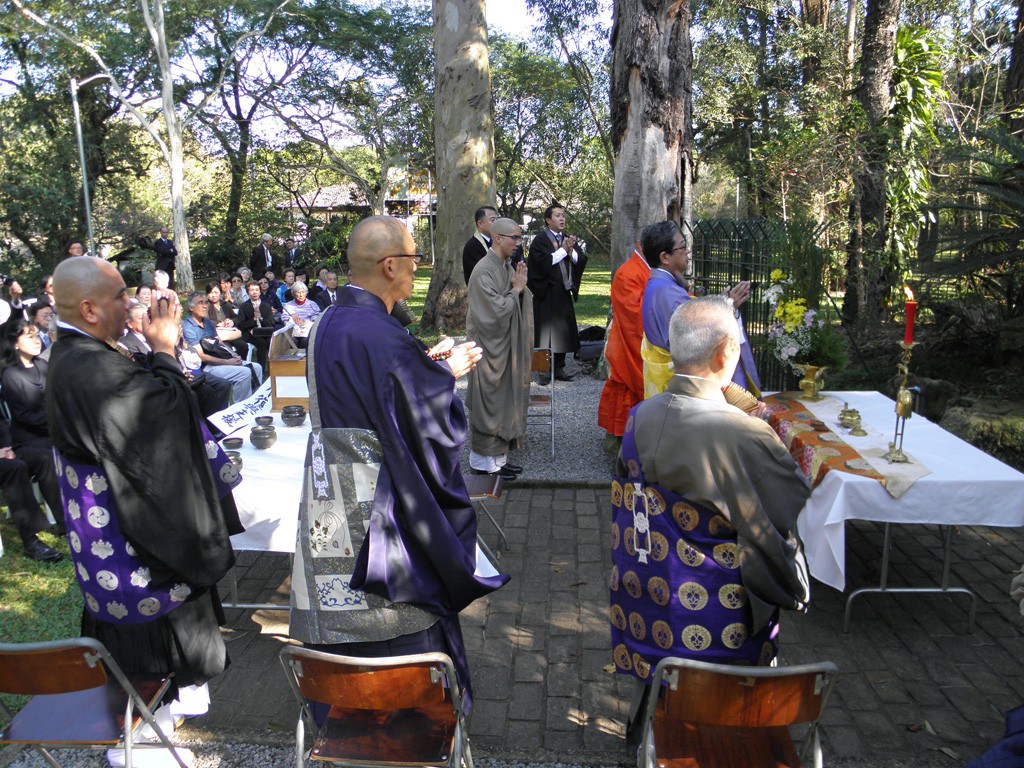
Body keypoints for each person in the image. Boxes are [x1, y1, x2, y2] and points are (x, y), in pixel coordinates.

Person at [293, 214, 506, 712]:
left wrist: (421, 369)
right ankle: (409, 717)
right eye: (414, 260)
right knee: (394, 615)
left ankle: (341, 706)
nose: (418, 270)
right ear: (389, 266)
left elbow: (373, 396)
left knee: (338, 604)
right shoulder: (383, 336)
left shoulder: (330, 320)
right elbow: (426, 426)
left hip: (330, 490)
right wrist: (445, 376)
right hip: (379, 502)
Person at [47, 258, 243, 760]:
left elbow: (153, 402)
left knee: (162, 658)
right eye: (120, 297)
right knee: (147, 656)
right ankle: (139, 743)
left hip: (126, 530)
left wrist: (159, 352)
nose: (132, 305)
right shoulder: (83, 365)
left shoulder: (89, 353)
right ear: (88, 308)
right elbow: (160, 421)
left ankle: (162, 722)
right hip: (128, 546)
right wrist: (162, 347)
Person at [611, 296, 810, 740]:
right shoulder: (745, 433)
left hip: (649, 596)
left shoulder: (639, 417)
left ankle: (652, 714)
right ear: (726, 353)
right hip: (720, 610)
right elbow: (791, 502)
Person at [640, 220, 759, 398]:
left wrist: (719, 303)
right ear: (665, 257)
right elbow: (696, 339)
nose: (688, 253)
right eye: (682, 247)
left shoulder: (658, 285)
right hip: (681, 386)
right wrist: (727, 307)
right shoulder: (670, 293)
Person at [465, 217, 532, 480]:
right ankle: (482, 464)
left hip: (503, 348)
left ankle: (499, 461)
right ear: (498, 238)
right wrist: (516, 291)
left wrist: (520, 290)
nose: (518, 243)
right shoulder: (483, 270)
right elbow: (493, 313)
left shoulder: (503, 266)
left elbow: (515, 296)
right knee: (488, 403)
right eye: (514, 237)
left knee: (504, 401)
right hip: (488, 349)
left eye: (519, 237)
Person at [597, 240, 651, 450]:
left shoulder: (645, 269)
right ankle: (620, 442)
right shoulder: (627, 273)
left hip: (634, 338)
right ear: (641, 245)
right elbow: (635, 314)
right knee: (625, 388)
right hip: (627, 339)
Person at [527, 203, 587, 382]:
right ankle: (542, 370)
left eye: (563, 216)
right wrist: (563, 250)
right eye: (558, 215)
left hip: (562, 292)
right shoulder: (540, 240)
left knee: (562, 332)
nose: (562, 219)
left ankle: (559, 367)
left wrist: (570, 251)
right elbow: (543, 263)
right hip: (546, 292)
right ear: (547, 220)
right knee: (543, 334)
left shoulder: (567, 239)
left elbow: (580, 260)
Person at [182, 291, 259, 402]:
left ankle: (255, 403)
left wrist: (233, 355)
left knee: (257, 368)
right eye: (200, 303)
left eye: (206, 303)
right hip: (206, 367)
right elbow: (201, 356)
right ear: (191, 308)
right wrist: (228, 362)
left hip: (220, 359)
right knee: (244, 373)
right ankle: (239, 408)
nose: (205, 306)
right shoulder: (188, 327)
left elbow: (219, 342)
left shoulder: (208, 322)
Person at [462, 205, 497, 284]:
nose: (496, 223)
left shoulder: (495, 242)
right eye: (492, 220)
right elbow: (481, 274)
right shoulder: (473, 246)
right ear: (480, 224)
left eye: (497, 219)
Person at [281, 281, 319, 349]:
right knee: (291, 341)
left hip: (308, 332)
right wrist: (292, 320)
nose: (301, 295)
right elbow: (285, 319)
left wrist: (306, 323)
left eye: (303, 292)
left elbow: (316, 319)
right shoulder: (288, 305)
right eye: (298, 292)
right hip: (293, 332)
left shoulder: (313, 305)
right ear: (294, 293)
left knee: (306, 341)